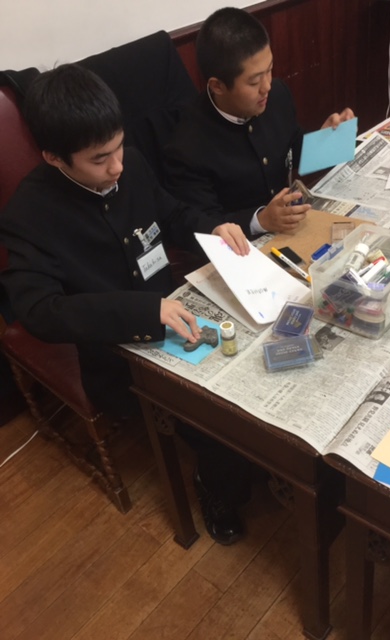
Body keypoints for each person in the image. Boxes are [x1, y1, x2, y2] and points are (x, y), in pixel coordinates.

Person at [0, 63, 250, 544]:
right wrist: (144, 312)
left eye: (118, 147)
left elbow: (172, 214)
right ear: (54, 157)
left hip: (175, 311)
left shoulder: (129, 162)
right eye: (100, 159)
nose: (117, 166)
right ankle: (216, 487)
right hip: (115, 355)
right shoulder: (28, 216)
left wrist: (213, 227)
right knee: (219, 424)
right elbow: (40, 312)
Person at [164, 7, 355, 239]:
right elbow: (204, 226)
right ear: (218, 86)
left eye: (269, 70)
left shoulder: (277, 96)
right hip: (245, 247)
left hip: (291, 229)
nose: (267, 87)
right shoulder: (187, 147)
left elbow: (290, 149)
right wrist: (260, 221)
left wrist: (325, 141)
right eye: (254, 82)